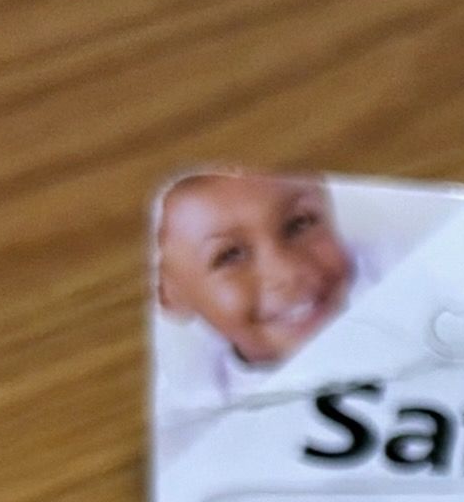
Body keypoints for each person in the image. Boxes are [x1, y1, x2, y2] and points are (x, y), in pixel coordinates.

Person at [150, 169, 370, 400]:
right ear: (167, 294)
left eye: (300, 223)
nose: (287, 273)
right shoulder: (196, 411)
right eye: (230, 255)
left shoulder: (401, 278)